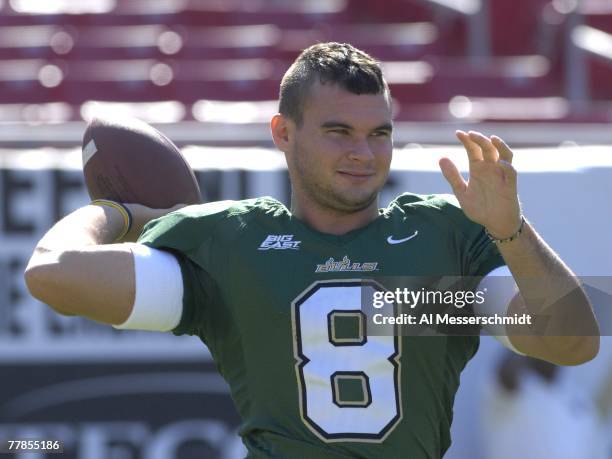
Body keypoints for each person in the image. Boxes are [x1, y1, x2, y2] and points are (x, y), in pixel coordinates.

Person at [24, 42, 599, 458]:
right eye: (338, 132)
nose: (364, 154)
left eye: (380, 133)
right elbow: (53, 274)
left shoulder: (442, 241)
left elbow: (573, 341)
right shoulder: (233, 244)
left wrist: (511, 228)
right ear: (283, 133)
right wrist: (125, 214)